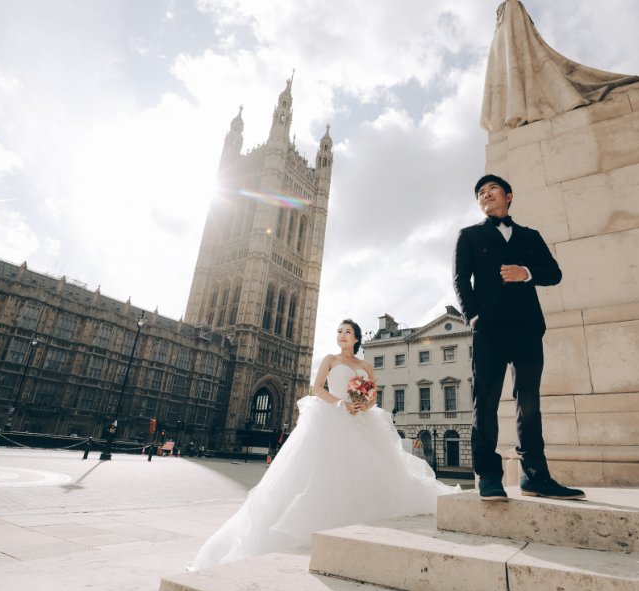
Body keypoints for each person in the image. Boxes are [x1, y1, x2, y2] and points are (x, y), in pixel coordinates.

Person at [187, 319, 457, 570]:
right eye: (339, 331)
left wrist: (364, 404)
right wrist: (341, 404)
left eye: (347, 332)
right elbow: (317, 388)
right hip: (333, 415)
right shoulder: (329, 360)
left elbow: (373, 397)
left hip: (361, 419)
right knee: (323, 467)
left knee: (366, 468)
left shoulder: (366, 367)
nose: (342, 335)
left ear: (357, 339)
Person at [453, 174, 585, 501]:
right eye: (480, 193)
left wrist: (525, 273)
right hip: (489, 329)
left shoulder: (530, 236)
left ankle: (535, 475)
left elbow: (553, 274)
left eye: (492, 189)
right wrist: (474, 317)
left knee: (530, 403)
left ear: (509, 196)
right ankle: (488, 476)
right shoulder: (468, 236)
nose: (485, 195)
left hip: (527, 327)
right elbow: (460, 281)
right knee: (485, 402)